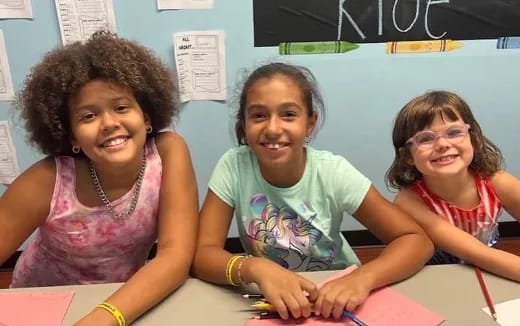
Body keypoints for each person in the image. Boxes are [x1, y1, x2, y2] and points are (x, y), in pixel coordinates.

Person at [192, 62, 433, 320]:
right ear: (244, 124)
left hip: (336, 298)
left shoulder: (333, 172)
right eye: (259, 115)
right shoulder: (234, 166)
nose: (273, 129)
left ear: (310, 123)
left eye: (288, 114)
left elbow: (416, 241)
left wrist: (362, 279)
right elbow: (202, 254)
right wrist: (255, 268)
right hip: (270, 299)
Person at [0, 32, 199, 325]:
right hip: (42, 304)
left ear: (146, 116)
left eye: (121, 107)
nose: (109, 124)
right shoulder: (46, 182)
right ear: (72, 136)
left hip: (120, 302)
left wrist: (105, 317)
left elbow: (175, 256)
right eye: (88, 116)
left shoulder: (169, 153)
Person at [386, 90, 520, 282]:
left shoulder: (496, 182)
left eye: (454, 132)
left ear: (472, 139)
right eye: (425, 138)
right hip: (438, 279)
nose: (442, 144)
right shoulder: (409, 202)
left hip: (494, 273)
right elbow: (478, 254)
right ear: (408, 155)